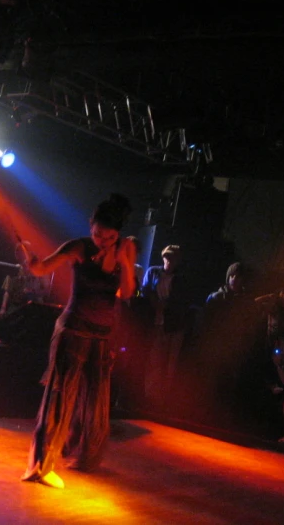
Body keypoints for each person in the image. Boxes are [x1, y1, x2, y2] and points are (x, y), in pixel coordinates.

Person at [20, 194, 137, 489]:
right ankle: (41, 466)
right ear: (90, 226)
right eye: (98, 233)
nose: (102, 240)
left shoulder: (125, 248)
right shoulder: (78, 247)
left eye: (109, 236)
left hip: (101, 336)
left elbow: (126, 293)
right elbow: (41, 269)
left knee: (95, 404)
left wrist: (123, 261)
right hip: (72, 331)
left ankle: (84, 459)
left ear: (119, 233)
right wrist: (30, 258)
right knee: (59, 398)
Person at [141, 244, 188, 407]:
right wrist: (155, 303)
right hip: (156, 322)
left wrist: (168, 305)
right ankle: (151, 396)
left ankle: (165, 398)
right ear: (163, 257)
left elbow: (182, 301)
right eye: (167, 257)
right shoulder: (153, 271)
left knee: (170, 363)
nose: (169, 260)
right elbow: (145, 291)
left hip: (174, 324)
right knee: (154, 360)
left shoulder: (181, 278)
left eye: (172, 257)